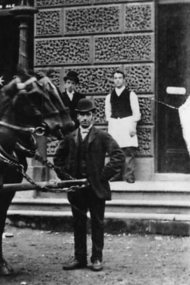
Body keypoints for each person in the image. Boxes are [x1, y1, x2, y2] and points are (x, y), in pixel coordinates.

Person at [54, 98, 124, 273]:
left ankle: (96, 258)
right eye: (81, 115)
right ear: (77, 117)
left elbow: (118, 156)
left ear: (93, 116)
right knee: (78, 223)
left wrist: (102, 176)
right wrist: (66, 178)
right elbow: (57, 159)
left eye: (88, 114)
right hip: (76, 188)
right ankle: (79, 258)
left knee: (97, 223)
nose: (85, 118)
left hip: (95, 188)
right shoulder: (70, 137)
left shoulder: (102, 136)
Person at [104, 70, 141, 183]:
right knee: (115, 151)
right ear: (113, 80)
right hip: (115, 125)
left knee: (129, 150)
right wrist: (112, 124)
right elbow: (108, 113)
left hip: (127, 124)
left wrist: (133, 126)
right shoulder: (109, 96)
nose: (118, 80)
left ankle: (129, 175)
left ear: (124, 79)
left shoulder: (131, 94)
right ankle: (116, 174)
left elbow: (136, 112)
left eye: (120, 78)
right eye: (115, 78)